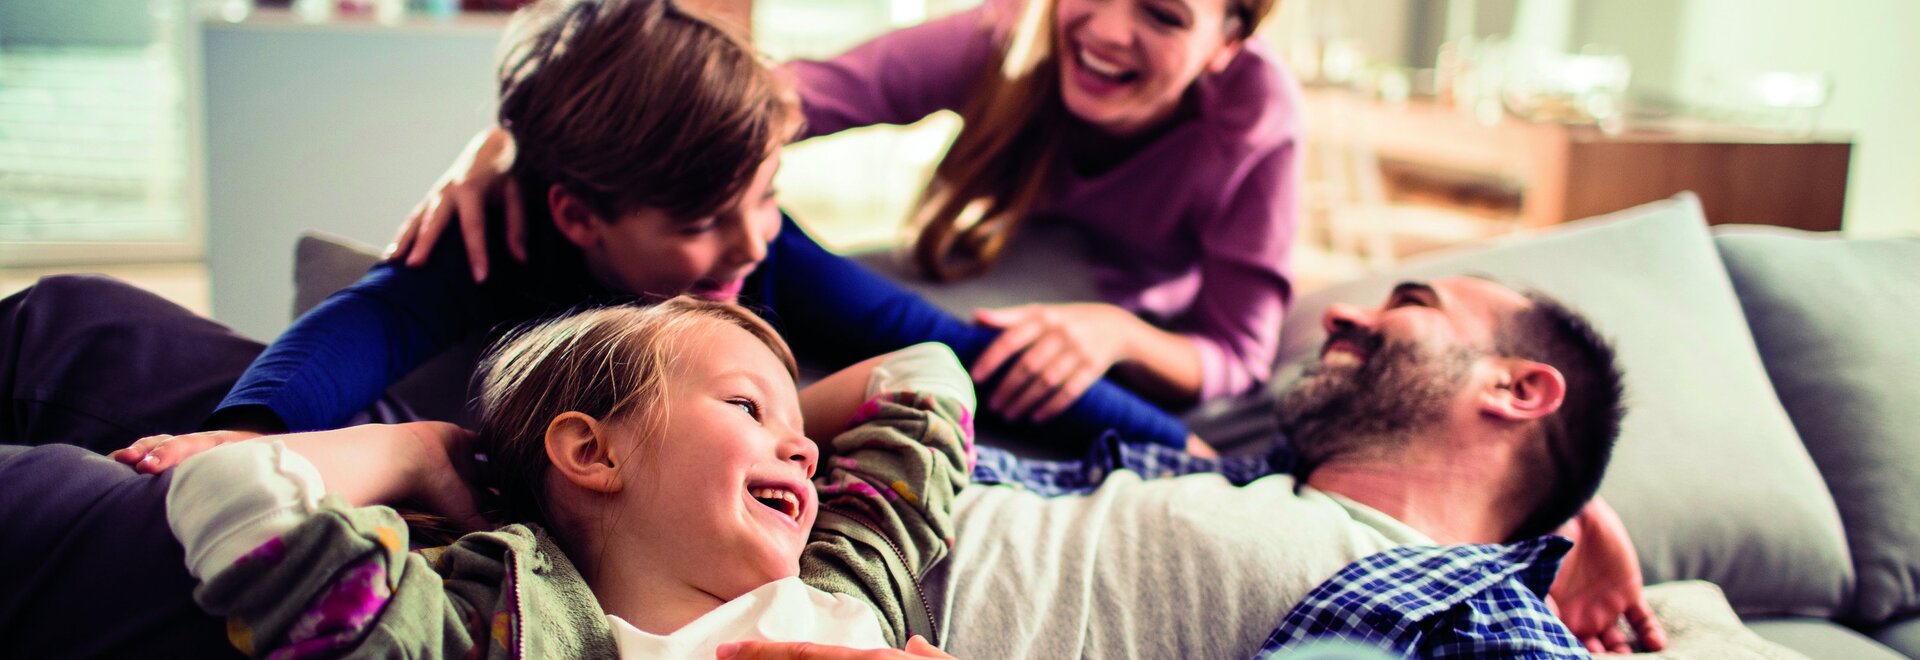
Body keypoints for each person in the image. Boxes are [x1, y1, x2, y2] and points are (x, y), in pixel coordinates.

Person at [0, 0, 1196, 454]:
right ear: (578, 216)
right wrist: (247, 432)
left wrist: (1178, 444)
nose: (745, 244)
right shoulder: (507, 241)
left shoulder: (763, 249)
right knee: (72, 324)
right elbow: (357, 328)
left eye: (766, 196)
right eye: (697, 222)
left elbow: (946, 342)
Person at [394, 0, 1303, 427]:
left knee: (904, 347)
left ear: (1229, 41)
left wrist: (1121, 340)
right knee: (818, 311)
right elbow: (739, 105)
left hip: (1124, 313)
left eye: (1161, 15)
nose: (1106, 28)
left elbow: (1241, 349)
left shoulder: (1254, 119)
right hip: (991, 262)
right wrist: (519, 141)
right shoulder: (1004, 36)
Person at [723, 277, 1667, 658]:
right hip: (761, 516)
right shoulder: (1241, 480)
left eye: (1410, 303)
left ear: (1519, 391)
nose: (1342, 315)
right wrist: (1581, 517)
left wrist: (1552, 525)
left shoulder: (1469, 609)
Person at [160, 299, 973, 657]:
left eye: (802, 435)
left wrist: (773, 424)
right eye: (746, 407)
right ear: (593, 454)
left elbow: (925, 377)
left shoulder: (845, 582)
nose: (806, 453)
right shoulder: (508, 632)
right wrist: (414, 451)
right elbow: (235, 491)